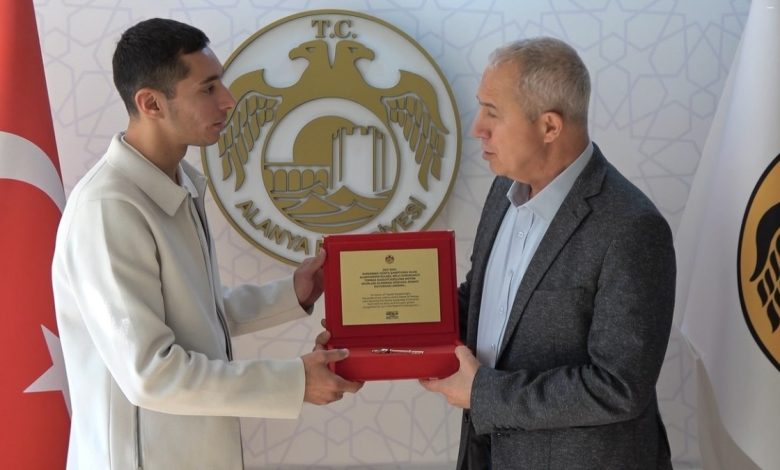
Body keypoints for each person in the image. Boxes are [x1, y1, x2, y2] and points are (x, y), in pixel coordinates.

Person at [52, 18, 362, 470]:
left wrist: (291, 294)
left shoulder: (177, 184)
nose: (228, 100)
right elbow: (150, 373)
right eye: (208, 88)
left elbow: (192, 314)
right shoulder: (109, 208)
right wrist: (293, 381)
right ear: (151, 103)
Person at [420, 37, 676, 469]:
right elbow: (482, 302)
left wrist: (484, 394)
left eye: (492, 112)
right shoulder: (502, 189)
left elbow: (618, 387)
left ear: (550, 127)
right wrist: (391, 327)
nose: (477, 127)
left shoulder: (632, 228)